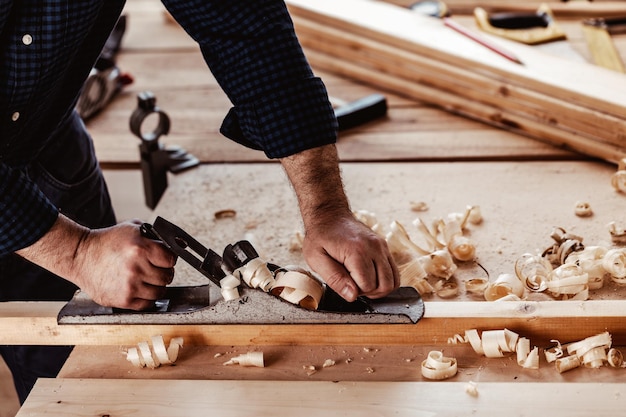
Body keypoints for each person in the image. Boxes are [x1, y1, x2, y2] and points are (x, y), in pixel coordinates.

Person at [0, 0, 400, 403]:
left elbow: (248, 28)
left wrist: (326, 209)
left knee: (85, 383)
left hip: (46, 142)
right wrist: (76, 252)